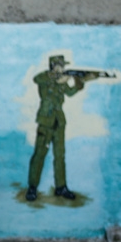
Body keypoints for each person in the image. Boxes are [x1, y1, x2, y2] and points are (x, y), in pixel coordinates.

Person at [25, 55, 99, 202]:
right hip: (46, 120)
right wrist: (56, 78)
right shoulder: (44, 78)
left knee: (60, 155)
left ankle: (61, 187)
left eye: (63, 66)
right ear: (53, 65)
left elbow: (70, 93)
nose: (63, 68)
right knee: (39, 154)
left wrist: (82, 80)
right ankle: (32, 187)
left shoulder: (61, 81)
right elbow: (36, 79)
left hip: (59, 122)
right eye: (60, 65)